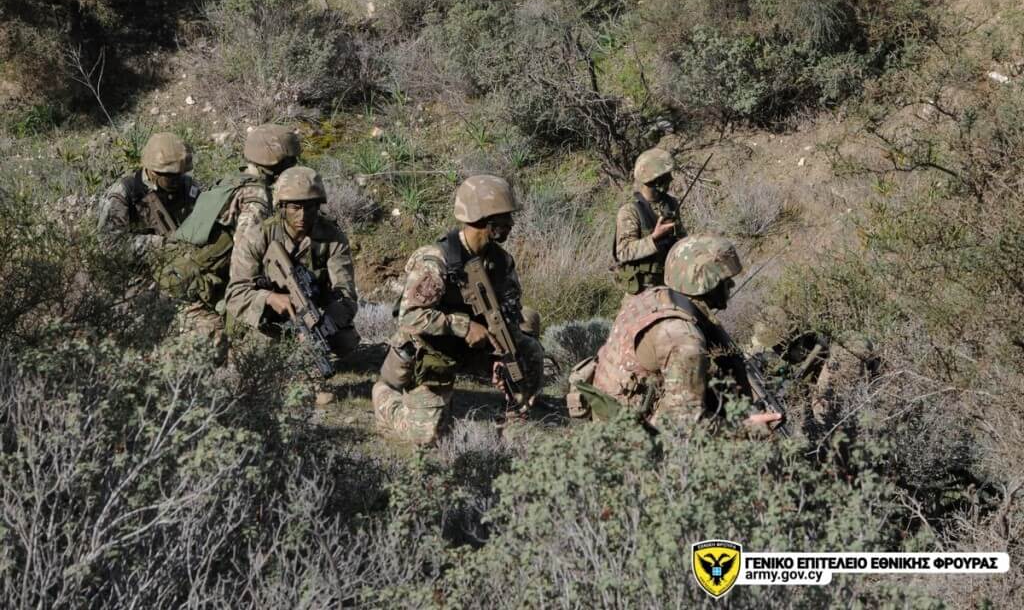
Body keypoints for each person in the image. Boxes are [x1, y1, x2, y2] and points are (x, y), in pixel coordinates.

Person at [372, 174, 545, 445]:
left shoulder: (501, 262)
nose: (511, 224)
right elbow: (410, 317)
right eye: (503, 218)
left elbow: (510, 311)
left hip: (476, 347)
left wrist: (502, 354)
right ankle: (385, 397)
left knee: (529, 350)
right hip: (431, 351)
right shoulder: (435, 261)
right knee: (427, 435)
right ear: (482, 219)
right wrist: (463, 326)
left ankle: (515, 412)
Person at [572, 234, 780, 434]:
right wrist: (746, 429)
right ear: (707, 283)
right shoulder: (683, 339)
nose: (731, 285)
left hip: (608, 415)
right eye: (725, 280)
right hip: (629, 439)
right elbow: (683, 426)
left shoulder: (651, 297)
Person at [158, 124, 301, 355]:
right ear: (275, 162)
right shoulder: (255, 199)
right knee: (234, 349)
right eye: (290, 162)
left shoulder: (230, 182)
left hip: (182, 278)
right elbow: (244, 261)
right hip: (191, 293)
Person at [225, 166, 359, 363]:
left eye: (309, 208)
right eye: (295, 208)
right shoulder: (257, 237)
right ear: (282, 207)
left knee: (345, 340)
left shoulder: (333, 238)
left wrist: (323, 325)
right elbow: (235, 294)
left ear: (318, 206)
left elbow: (346, 295)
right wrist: (269, 298)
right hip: (266, 321)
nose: (302, 216)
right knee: (259, 352)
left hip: (313, 315)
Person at [97, 132, 200, 254]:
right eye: (171, 176)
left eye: (181, 174)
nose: (177, 180)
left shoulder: (187, 185)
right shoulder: (124, 193)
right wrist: (158, 244)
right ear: (153, 172)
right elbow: (109, 243)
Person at [612, 147, 687, 295]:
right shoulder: (630, 211)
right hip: (643, 288)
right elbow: (623, 252)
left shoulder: (670, 203)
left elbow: (681, 239)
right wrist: (654, 238)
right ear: (654, 179)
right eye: (666, 175)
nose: (671, 179)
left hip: (670, 282)